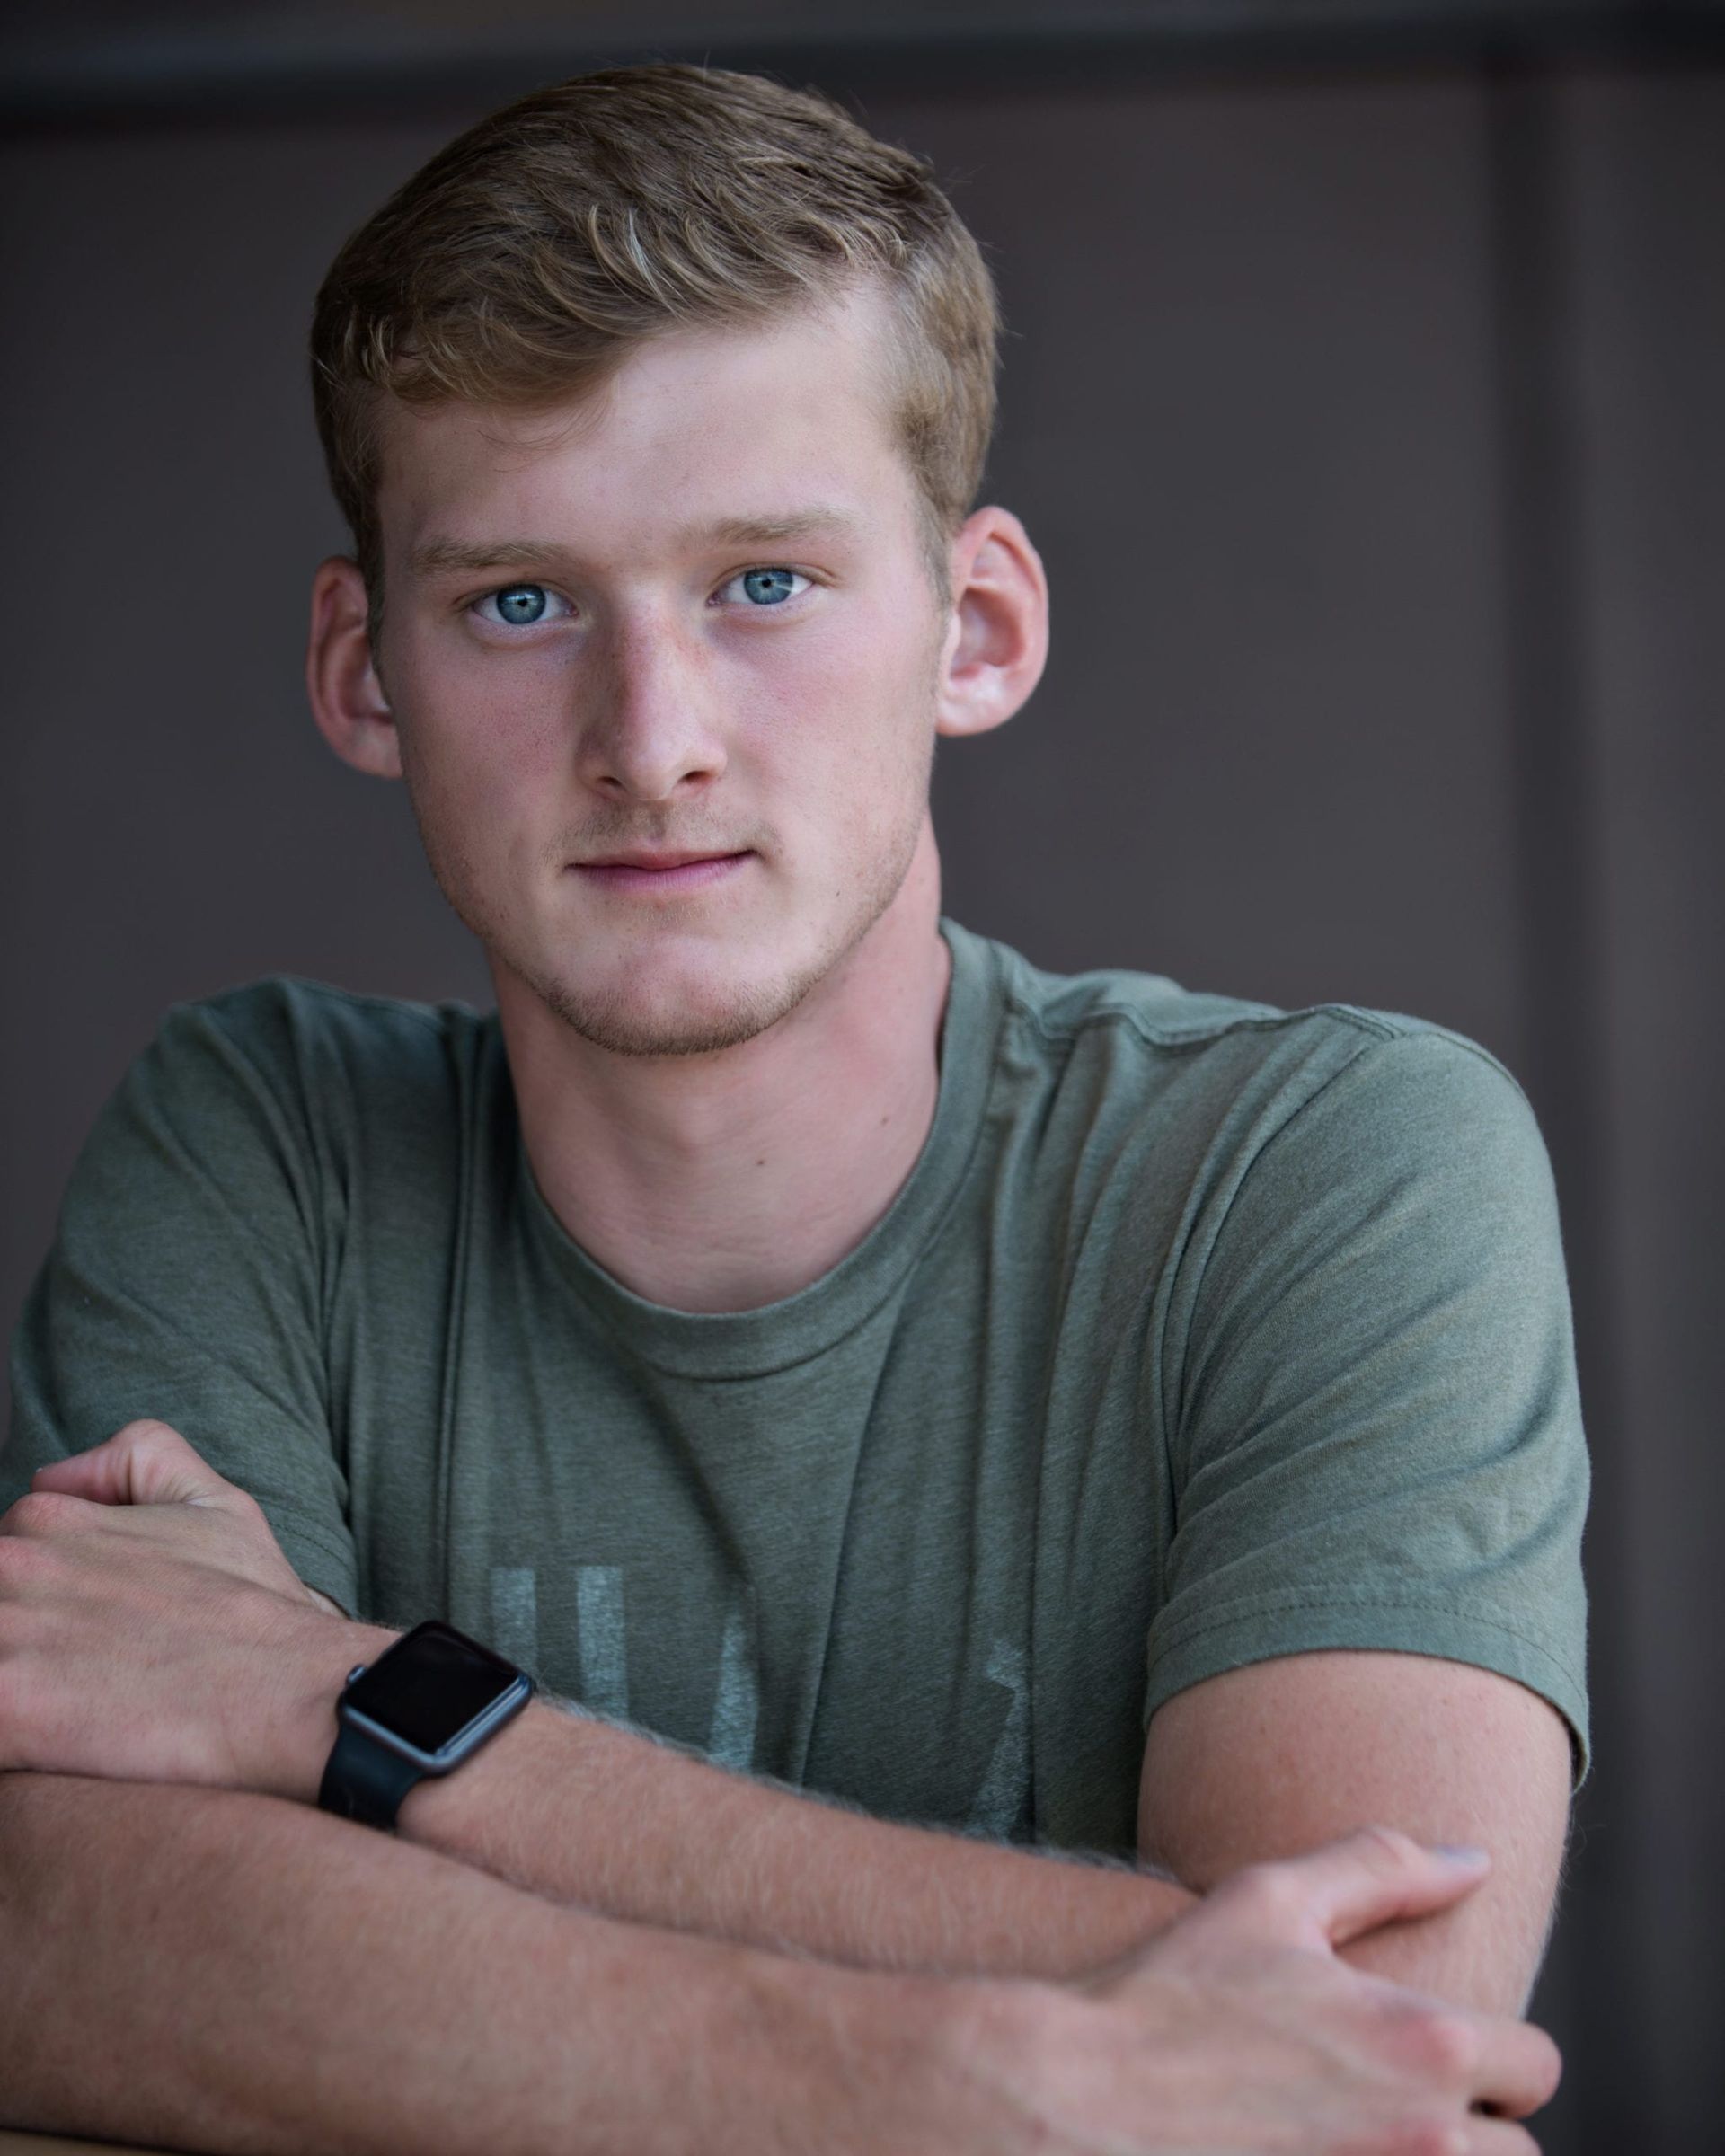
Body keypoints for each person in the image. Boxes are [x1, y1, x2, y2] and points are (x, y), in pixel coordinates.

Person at [0, 63, 1586, 2155]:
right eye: (517, 602)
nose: (650, 743)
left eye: (764, 583)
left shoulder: (1331, 1167)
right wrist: (997, 2081)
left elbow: (1375, 2043)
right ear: (363, 669)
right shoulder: (259, 1146)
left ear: (977, 626)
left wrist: (351, 1711)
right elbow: (72, 1943)